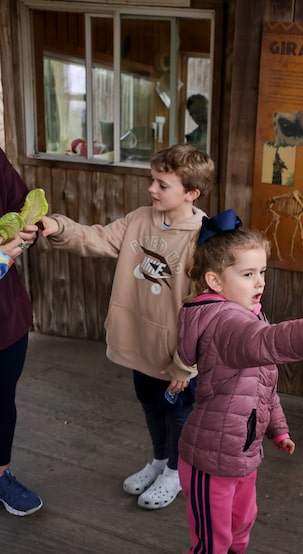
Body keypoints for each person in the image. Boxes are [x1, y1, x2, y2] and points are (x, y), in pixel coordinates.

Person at [176, 209, 303, 553]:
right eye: (248, 273)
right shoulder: (225, 323)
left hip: (242, 452)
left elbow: (262, 387)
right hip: (210, 459)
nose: (260, 282)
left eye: (262, 272)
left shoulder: (248, 314)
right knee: (212, 541)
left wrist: (277, 429)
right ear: (214, 281)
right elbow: (270, 343)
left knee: (241, 526)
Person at [39, 143, 213, 510]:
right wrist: (58, 226)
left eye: (163, 185)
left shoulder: (205, 237)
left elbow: (206, 310)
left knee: (179, 414)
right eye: (153, 180)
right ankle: (159, 462)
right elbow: (97, 237)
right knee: (151, 406)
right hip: (140, 343)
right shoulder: (139, 218)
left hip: (177, 355)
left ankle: (177, 474)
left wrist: (187, 363)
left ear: (192, 193)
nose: (152, 189)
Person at [0, 147, 42, 516]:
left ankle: (1, 474)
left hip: (5, 317)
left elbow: (21, 204)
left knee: (1, 401)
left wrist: (29, 230)